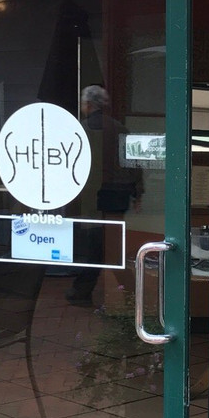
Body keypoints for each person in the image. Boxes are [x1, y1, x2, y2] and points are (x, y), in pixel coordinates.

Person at [66, 85, 144, 306]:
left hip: (92, 195)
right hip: (118, 195)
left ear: (89, 104)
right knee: (108, 243)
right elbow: (134, 164)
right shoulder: (120, 128)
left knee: (97, 243)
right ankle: (126, 291)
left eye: (83, 103)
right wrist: (138, 193)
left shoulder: (81, 130)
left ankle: (93, 290)